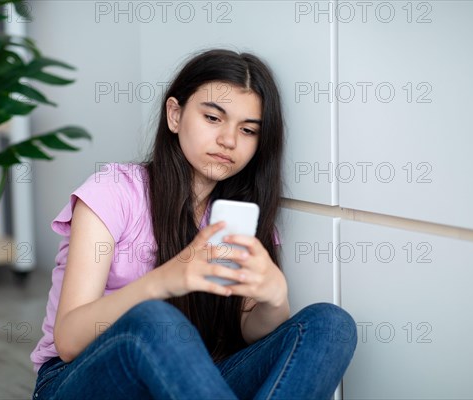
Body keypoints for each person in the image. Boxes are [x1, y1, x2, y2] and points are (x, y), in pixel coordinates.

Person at [30, 49, 357, 400]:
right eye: (213, 118)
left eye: (248, 130)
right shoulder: (114, 191)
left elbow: (248, 331)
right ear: (175, 114)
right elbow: (68, 340)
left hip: (191, 383)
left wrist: (275, 300)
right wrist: (167, 279)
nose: (229, 140)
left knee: (330, 324)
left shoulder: (240, 217)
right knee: (157, 321)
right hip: (76, 381)